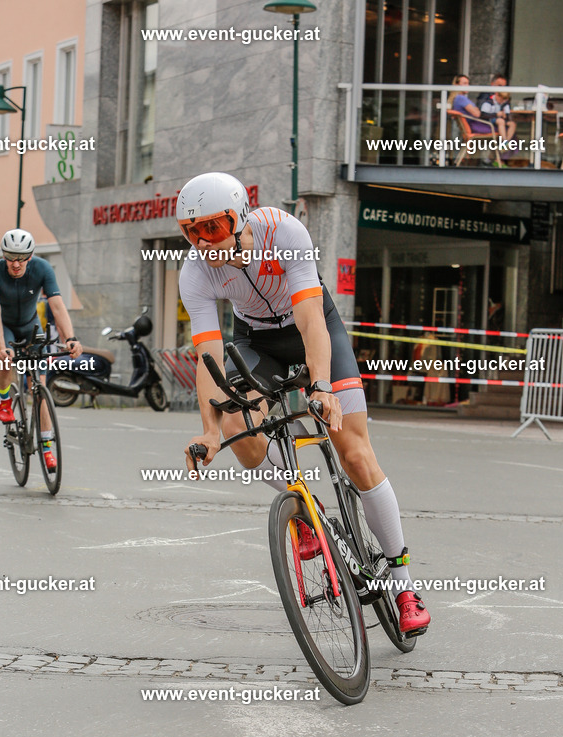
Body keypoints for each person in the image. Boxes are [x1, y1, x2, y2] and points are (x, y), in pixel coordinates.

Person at [178, 172, 430, 637]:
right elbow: (208, 357)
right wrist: (210, 431)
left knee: (355, 453)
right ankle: (305, 510)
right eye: (191, 232)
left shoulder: (283, 231)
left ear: (239, 218)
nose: (202, 241)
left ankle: (403, 586)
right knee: (239, 430)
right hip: (257, 342)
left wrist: (322, 386)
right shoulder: (195, 271)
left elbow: (311, 318)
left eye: (212, 227)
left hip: (313, 326)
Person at [0, 229, 82, 470]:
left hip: (30, 326)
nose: (16, 264)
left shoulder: (42, 268)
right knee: (4, 360)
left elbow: (57, 306)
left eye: (21, 258)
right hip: (3, 325)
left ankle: (47, 447)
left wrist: (71, 338)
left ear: (31, 256)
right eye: (10, 257)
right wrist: (2, 349)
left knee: (40, 389)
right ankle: (4, 400)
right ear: (3, 255)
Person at [476, 75, 517, 145]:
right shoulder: (487, 98)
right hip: (488, 120)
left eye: (504, 87)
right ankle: (504, 142)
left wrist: (505, 116)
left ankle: (505, 143)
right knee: (501, 121)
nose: (502, 89)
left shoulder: (504, 99)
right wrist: (496, 114)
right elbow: (482, 114)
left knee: (512, 124)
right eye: (499, 86)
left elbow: (507, 112)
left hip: (500, 120)